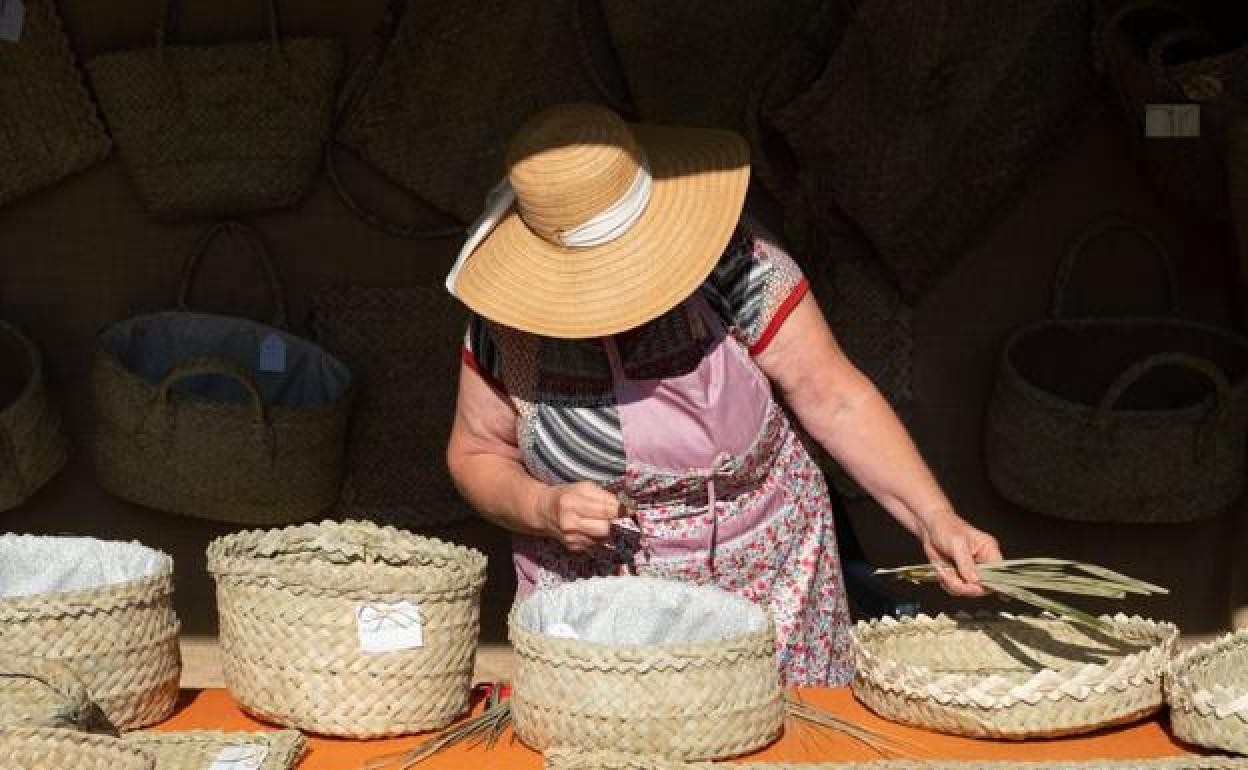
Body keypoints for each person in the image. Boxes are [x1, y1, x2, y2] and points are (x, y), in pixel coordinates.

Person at [445, 103, 1001, 685]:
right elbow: (477, 452)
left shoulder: (738, 265)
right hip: (603, 621)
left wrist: (934, 517)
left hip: (770, 591)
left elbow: (835, 397)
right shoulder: (508, 330)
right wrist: (544, 508)